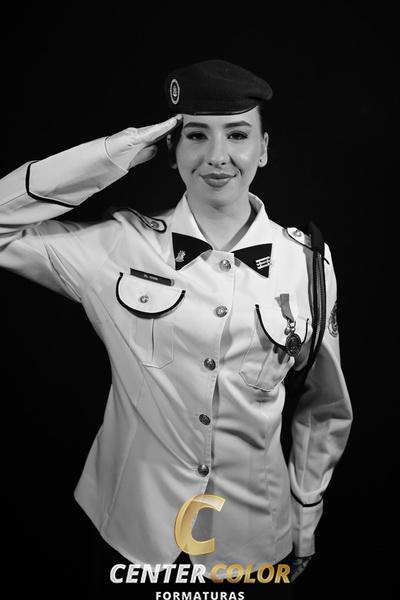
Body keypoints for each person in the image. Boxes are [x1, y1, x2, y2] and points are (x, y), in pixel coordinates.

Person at [0, 59, 352, 593]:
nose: (217, 156)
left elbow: (325, 407)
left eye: (237, 134)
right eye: (196, 135)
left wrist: (305, 519)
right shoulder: (119, 246)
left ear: (263, 148)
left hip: (253, 541)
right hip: (133, 532)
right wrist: (117, 152)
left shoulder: (308, 264)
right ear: (171, 149)